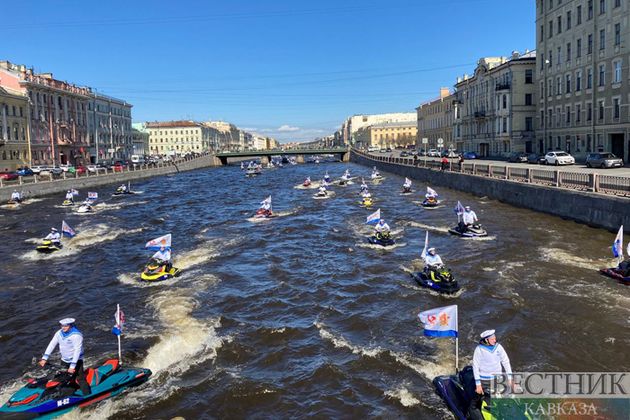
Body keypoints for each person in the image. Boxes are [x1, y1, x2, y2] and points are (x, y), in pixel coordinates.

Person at [469, 330, 515, 420]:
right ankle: (471, 415)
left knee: (502, 397)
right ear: (487, 340)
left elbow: (505, 361)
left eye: (495, 338)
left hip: (497, 379)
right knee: (477, 401)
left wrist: (510, 378)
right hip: (484, 380)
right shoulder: (479, 349)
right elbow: (475, 366)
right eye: (492, 339)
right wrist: (478, 384)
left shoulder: (498, 347)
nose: (495, 340)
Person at [39, 318, 91, 396]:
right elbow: (52, 345)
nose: (63, 328)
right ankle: (68, 393)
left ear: (70, 326)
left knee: (80, 379)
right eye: (62, 326)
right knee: (64, 378)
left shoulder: (76, 335)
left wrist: (72, 366)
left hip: (76, 361)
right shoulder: (59, 333)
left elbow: (77, 351)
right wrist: (44, 359)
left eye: (65, 326)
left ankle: (87, 396)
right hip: (64, 360)